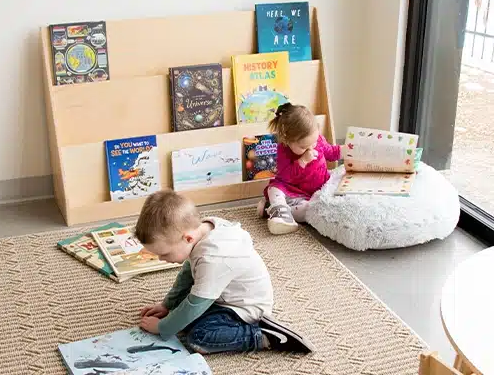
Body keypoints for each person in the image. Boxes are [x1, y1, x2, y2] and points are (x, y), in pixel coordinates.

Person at [135, 190, 314, 354]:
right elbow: (187, 275)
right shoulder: (205, 229)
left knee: (199, 338)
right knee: (183, 318)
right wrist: (167, 305)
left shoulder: (213, 257)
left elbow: (195, 304)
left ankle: (265, 336)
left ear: (188, 238)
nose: (161, 259)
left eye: (164, 254)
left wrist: (163, 327)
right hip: (223, 296)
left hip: (244, 309)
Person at [258, 103, 345, 235]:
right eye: (304, 147)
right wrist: (302, 161)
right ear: (287, 140)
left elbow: (332, 153)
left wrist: (346, 150)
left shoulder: (318, 140)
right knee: (274, 189)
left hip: (315, 191)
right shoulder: (284, 150)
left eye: (314, 142)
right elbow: (286, 175)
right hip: (293, 190)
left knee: (312, 209)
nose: (311, 148)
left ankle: (274, 210)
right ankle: (280, 213)